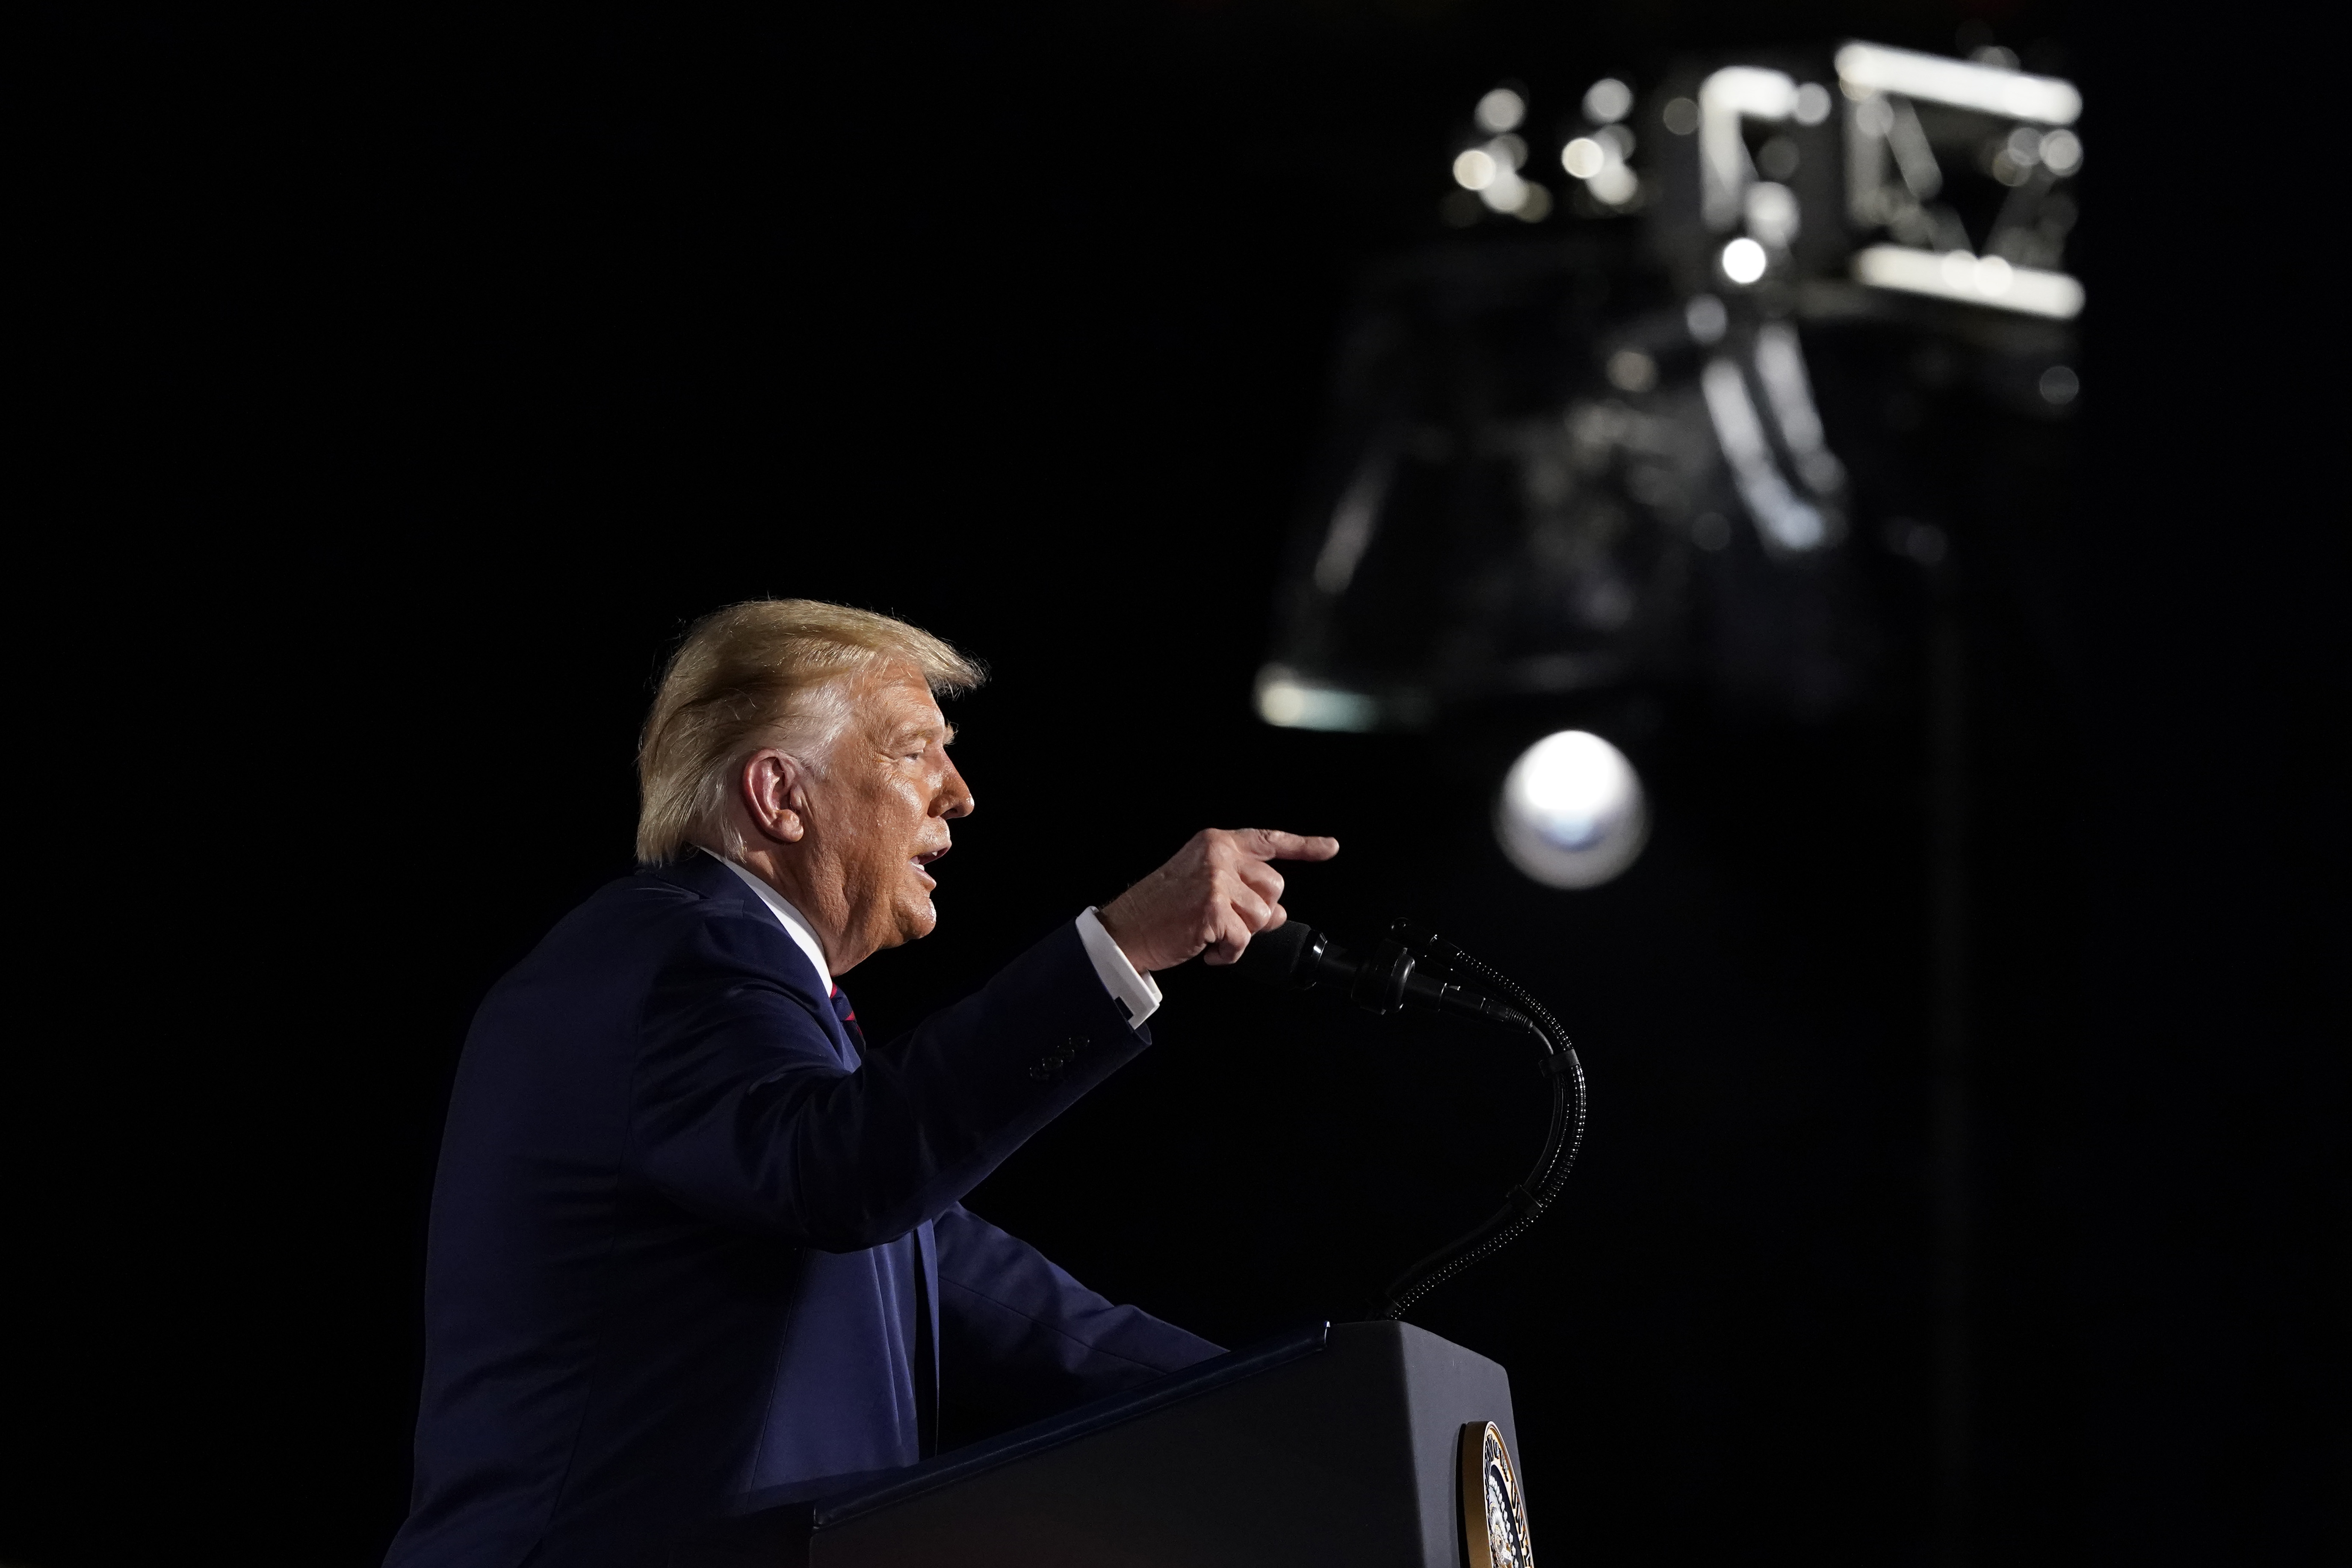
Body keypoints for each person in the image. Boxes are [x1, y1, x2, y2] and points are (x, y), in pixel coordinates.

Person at [383, 599, 1339, 1568]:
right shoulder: (680, 951)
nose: (957, 792)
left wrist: (1296, 1398)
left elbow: (1003, 1301)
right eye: (914, 750)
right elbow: (846, 1165)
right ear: (779, 796)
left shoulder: (753, 1016)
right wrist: (1119, 945)